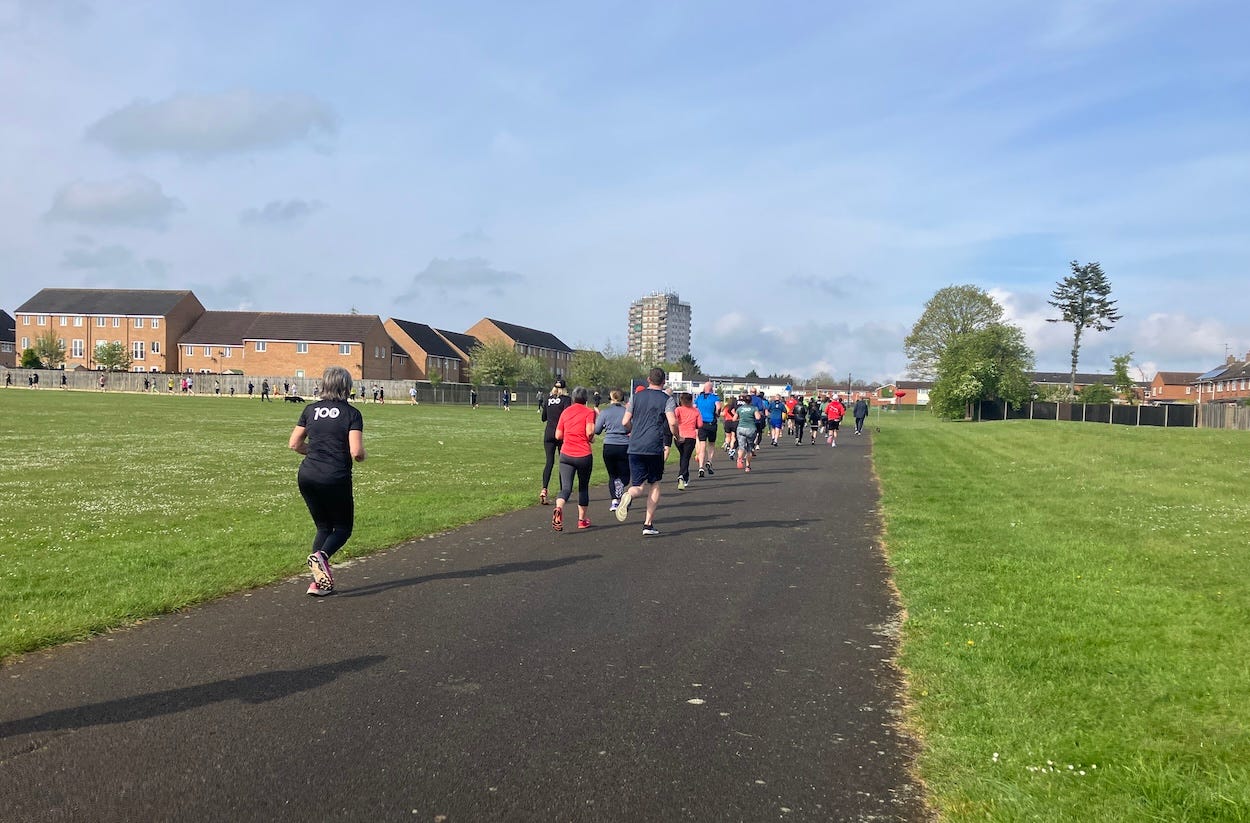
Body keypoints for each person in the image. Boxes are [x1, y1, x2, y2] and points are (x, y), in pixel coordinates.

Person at [288, 365, 366, 596]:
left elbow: (294, 444)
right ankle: (321, 556)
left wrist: (315, 452)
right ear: (346, 387)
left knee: (323, 527)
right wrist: (363, 456)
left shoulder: (310, 409)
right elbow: (356, 452)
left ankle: (318, 583)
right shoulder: (352, 414)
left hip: (307, 475)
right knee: (342, 528)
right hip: (335, 476)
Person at [615, 368, 681, 536]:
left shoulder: (636, 397)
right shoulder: (667, 399)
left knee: (637, 485)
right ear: (664, 381)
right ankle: (648, 524)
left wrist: (632, 430)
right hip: (654, 447)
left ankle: (628, 495)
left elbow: (625, 422)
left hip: (635, 445)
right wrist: (677, 436)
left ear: (648, 380)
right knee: (655, 483)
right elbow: (672, 422)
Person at [552, 386, 597, 531]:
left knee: (566, 488)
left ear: (572, 398)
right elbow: (590, 431)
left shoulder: (566, 412)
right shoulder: (589, 411)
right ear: (586, 399)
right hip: (583, 454)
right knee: (583, 488)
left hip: (566, 454)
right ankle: (581, 521)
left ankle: (558, 507)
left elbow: (558, 435)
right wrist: (591, 438)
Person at [594, 389, 631, 512]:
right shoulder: (626, 411)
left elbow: (597, 430)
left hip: (609, 445)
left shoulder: (605, 412)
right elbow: (631, 427)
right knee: (625, 475)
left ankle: (614, 501)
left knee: (612, 475)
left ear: (611, 398)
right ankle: (620, 485)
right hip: (624, 445)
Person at [538, 379, 572, 505]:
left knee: (549, 462)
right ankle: (563, 492)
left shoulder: (548, 398)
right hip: (561, 433)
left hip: (549, 433)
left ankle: (544, 489)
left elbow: (543, 418)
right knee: (563, 463)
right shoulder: (566, 400)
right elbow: (567, 415)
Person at [673, 392, 702, 490]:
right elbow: (700, 424)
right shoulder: (696, 411)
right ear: (691, 400)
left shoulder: (678, 410)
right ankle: (681, 475)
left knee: (683, 456)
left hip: (679, 436)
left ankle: (685, 476)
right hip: (690, 436)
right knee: (686, 457)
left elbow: (674, 420)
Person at [693, 381, 721, 479]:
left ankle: (701, 467)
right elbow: (718, 407)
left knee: (702, 445)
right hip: (711, 423)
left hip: (701, 424)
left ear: (704, 389)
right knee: (711, 444)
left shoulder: (699, 398)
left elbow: (694, 407)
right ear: (712, 389)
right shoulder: (715, 397)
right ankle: (709, 461)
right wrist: (717, 413)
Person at [735, 394, 762, 471]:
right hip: (751, 428)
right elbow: (758, 417)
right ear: (751, 401)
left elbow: (734, 418)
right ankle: (747, 466)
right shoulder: (754, 408)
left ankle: (740, 458)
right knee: (749, 448)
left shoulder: (740, 408)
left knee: (741, 446)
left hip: (741, 428)